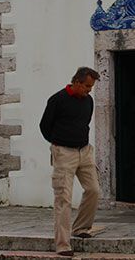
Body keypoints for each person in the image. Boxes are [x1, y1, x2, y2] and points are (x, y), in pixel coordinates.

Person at [39, 67, 101, 257]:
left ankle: (81, 227)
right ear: (77, 82)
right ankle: (63, 244)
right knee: (63, 198)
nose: (89, 90)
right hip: (64, 152)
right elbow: (44, 126)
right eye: (87, 86)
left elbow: (85, 122)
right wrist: (59, 143)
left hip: (84, 151)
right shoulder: (57, 100)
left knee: (93, 190)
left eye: (91, 87)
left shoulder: (88, 101)